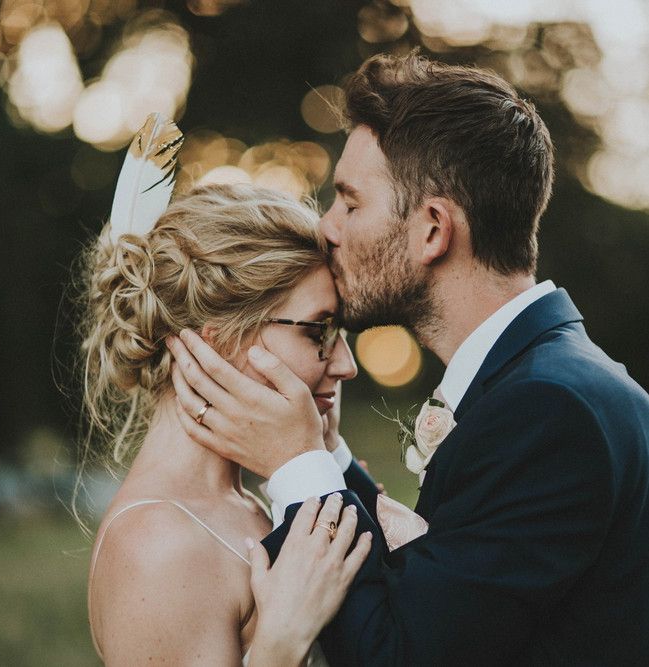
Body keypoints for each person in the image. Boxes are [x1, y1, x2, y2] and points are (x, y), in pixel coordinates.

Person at [167, 53, 649, 665]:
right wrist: (327, 455)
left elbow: (398, 652)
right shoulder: (552, 383)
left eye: (349, 202)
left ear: (432, 230)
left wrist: (294, 463)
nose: (327, 227)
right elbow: (454, 599)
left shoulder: (549, 411)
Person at [78, 181, 371, 665]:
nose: (345, 365)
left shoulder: (246, 506)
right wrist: (280, 646)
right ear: (216, 343)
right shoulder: (157, 545)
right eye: (319, 330)